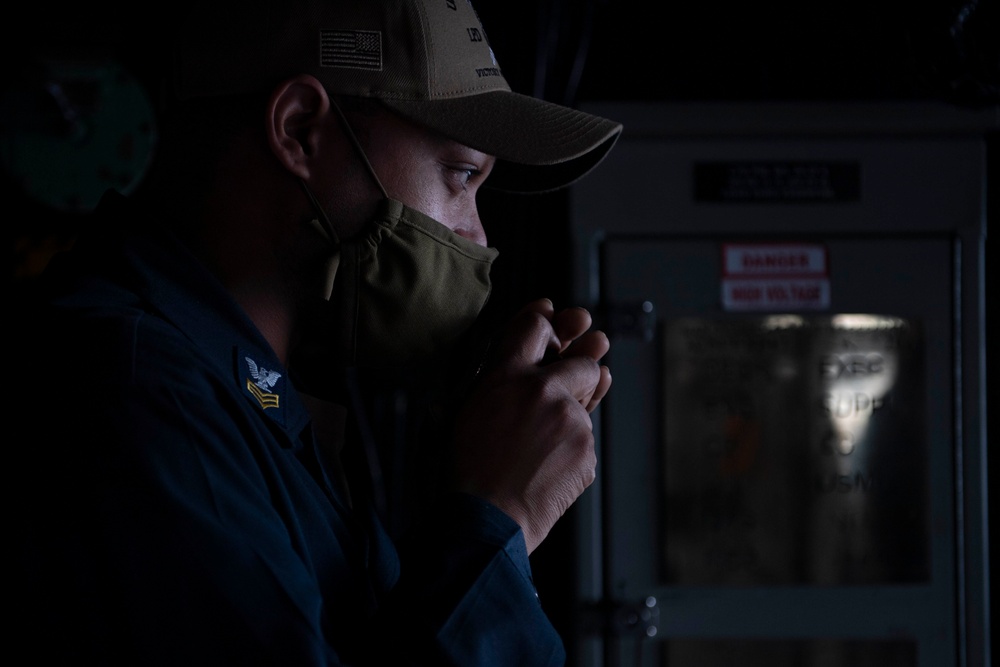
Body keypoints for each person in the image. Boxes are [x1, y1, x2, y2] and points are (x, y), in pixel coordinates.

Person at [12, 1, 622, 664]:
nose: (476, 235)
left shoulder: (254, 393)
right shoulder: (139, 398)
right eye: (461, 175)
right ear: (300, 131)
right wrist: (496, 517)